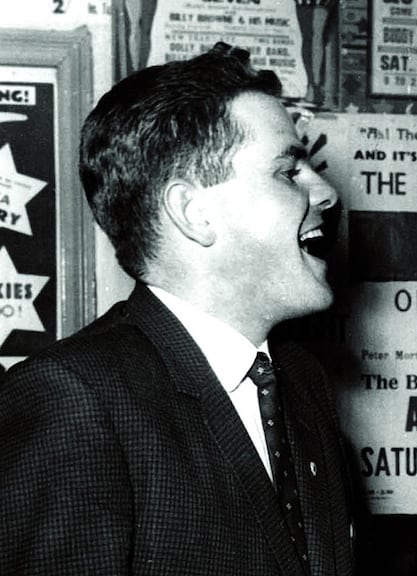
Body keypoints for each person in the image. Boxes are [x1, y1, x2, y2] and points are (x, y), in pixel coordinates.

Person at [0, 43, 360, 575]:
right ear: (194, 212)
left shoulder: (301, 382)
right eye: (288, 172)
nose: (326, 192)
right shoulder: (74, 397)